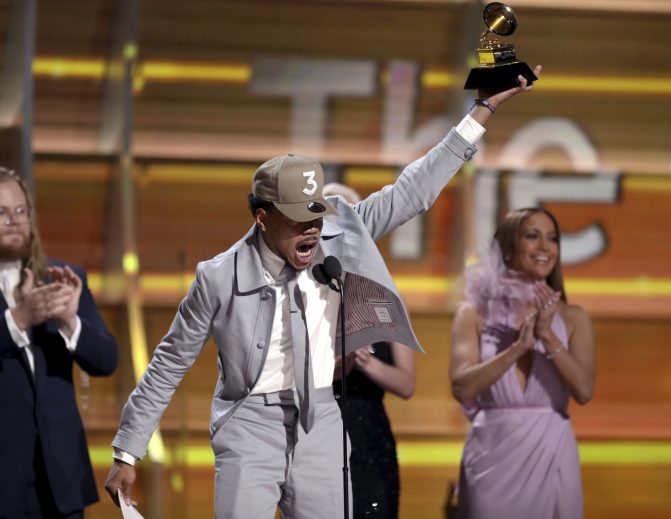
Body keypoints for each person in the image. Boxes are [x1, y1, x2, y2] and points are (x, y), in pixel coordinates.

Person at [104, 69, 541, 519]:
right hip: (249, 425)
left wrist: (481, 111)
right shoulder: (217, 277)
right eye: (299, 219)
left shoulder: (340, 234)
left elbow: (413, 191)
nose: (313, 230)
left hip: (322, 419)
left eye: (317, 217)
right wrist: (127, 452)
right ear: (263, 218)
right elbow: (168, 364)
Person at [449, 207, 596, 518]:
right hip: (492, 457)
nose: (545, 247)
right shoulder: (473, 314)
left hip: (552, 450)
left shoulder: (574, 318)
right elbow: (462, 387)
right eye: (532, 236)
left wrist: (548, 336)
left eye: (552, 238)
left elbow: (583, 391)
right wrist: (517, 349)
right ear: (508, 246)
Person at [0, 167, 119, 519]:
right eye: (2, 213)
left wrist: (70, 320)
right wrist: (18, 319)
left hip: (61, 481)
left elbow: (106, 360)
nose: (14, 221)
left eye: (21, 211)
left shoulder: (63, 279)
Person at [323, 183, 415, 519]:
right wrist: (340, 365)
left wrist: (363, 361)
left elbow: (406, 385)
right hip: (320, 425)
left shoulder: (385, 296)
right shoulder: (306, 293)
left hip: (370, 434)